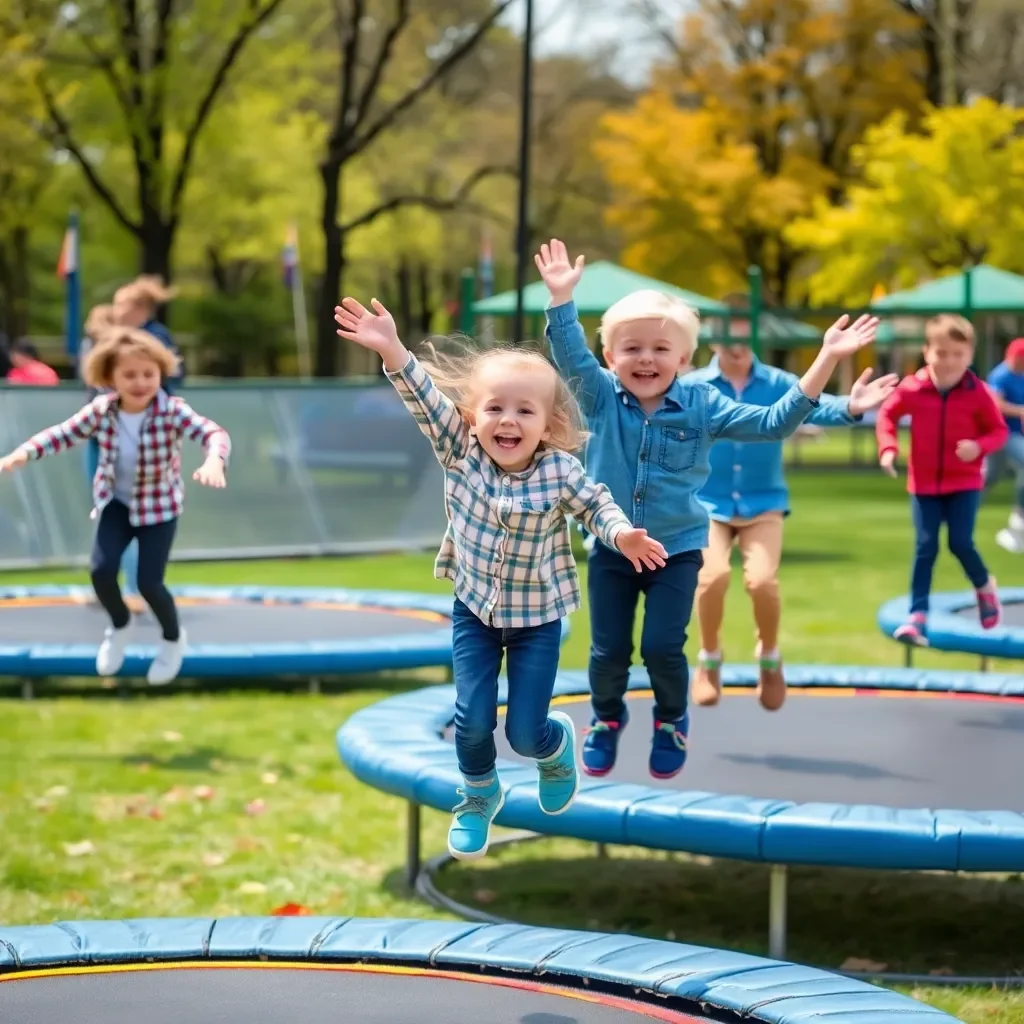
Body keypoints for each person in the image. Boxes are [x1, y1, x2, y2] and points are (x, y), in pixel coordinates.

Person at [333, 295, 668, 861]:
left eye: (524, 412)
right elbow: (422, 396)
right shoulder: (457, 450)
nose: (507, 421)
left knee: (523, 732)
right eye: (494, 409)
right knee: (470, 722)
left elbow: (597, 505)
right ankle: (478, 793)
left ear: (548, 423)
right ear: (471, 416)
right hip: (476, 613)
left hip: (537, 618)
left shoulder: (560, 470)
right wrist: (391, 348)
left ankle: (552, 745)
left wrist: (622, 535)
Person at [536, 238, 880, 780]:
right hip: (612, 546)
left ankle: (672, 720)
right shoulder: (599, 395)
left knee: (662, 647)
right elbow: (569, 353)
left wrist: (826, 360)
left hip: (676, 549)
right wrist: (561, 299)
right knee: (607, 653)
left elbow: (774, 423)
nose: (645, 358)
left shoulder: (703, 402)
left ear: (684, 359)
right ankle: (606, 719)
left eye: (659, 348)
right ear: (610, 357)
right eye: (630, 348)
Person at [0, 327, 230, 685]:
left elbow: (212, 433)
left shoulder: (171, 410)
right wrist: (24, 453)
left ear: (160, 374)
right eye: (130, 375)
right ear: (110, 378)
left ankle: (172, 639)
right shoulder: (102, 410)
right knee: (101, 572)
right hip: (117, 504)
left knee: (149, 583)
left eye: (148, 374)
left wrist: (214, 460)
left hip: (159, 508)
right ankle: (120, 625)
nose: (140, 383)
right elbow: (63, 432)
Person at [687, 342, 898, 710]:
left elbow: (813, 402)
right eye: (729, 338)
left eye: (744, 337)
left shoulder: (776, 381)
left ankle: (769, 658)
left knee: (762, 581)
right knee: (712, 576)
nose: (737, 347)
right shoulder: (696, 386)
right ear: (714, 340)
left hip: (764, 503)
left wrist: (850, 405)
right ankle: (709, 658)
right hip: (708, 504)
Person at [875, 314, 1008, 645]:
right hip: (923, 485)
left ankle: (983, 587)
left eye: (957, 355)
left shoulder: (978, 393)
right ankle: (917, 615)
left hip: (964, 483)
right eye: (942, 353)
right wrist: (888, 448)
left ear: (970, 356)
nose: (949, 361)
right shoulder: (912, 389)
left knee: (960, 542)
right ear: (926, 352)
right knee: (925, 547)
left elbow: (999, 431)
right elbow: (887, 415)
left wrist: (979, 447)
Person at [984, 337, 1024, 554]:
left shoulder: (1022, 375)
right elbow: (995, 404)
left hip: (1015, 433)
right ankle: (1020, 514)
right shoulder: (1000, 375)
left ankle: (961, 506)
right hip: (1000, 432)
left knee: (991, 477)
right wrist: (1019, 410)